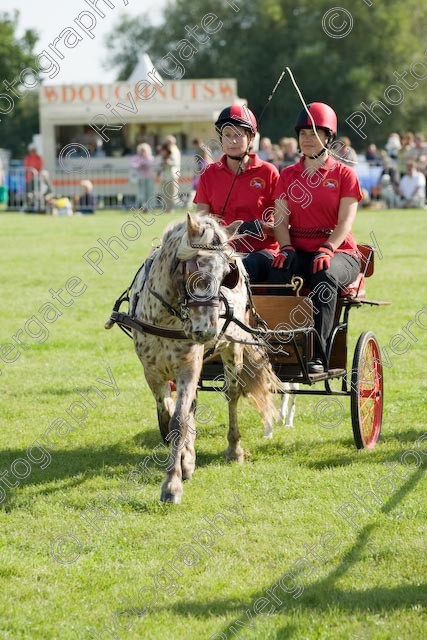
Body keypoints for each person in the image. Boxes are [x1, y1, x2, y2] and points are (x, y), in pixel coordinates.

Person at [268, 102, 362, 373]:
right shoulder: (287, 175)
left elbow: (345, 221)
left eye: (314, 133)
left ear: (328, 137)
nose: (307, 139)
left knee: (324, 275)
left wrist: (328, 248)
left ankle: (318, 356)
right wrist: (285, 247)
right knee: (277, 273)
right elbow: (280, 219)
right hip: (298, 250)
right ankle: (280, 348)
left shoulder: (345, 175)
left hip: (340, 252)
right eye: (303, 134)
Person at [194, 104, 280, 283]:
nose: (232, 141)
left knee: (239, 267)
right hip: (221, 252)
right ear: (221, 138)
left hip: (261, 253)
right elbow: (200, 221)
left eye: (238, 135)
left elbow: (284, 226)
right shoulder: (208, 174)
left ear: (250, 138)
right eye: (227, 135)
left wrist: (261, 227)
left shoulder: (269, 172)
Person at [130, 143, 155, 211]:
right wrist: (139, 166)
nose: (142, 152)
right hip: (140, 178)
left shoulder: (149, 157)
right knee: (141, 193)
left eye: (143, 150)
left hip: (149, 178)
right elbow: (132, 164)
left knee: (149, 193)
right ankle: (142, 207)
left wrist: (144, 165)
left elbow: (150, 164)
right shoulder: (136, 157)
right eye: (141, 150)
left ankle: (149, 207)